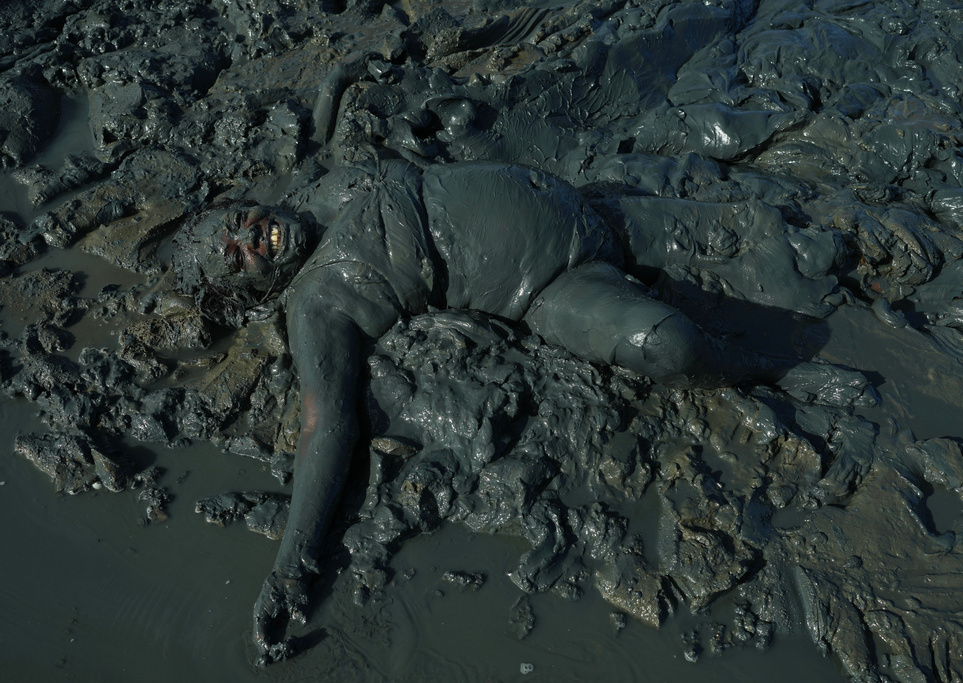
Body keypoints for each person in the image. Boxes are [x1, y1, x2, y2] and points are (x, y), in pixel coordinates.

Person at [174, 158, 871, 663]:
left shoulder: (324, 186)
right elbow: (325, 425)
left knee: (786, 241)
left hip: (586, 206)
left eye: (237, 223)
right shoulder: (317, 306)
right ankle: (766, 367)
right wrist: (289, 568)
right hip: (552, 284)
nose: (251, 238)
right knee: (667, 344)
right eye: (237, 258)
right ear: (252, 292)